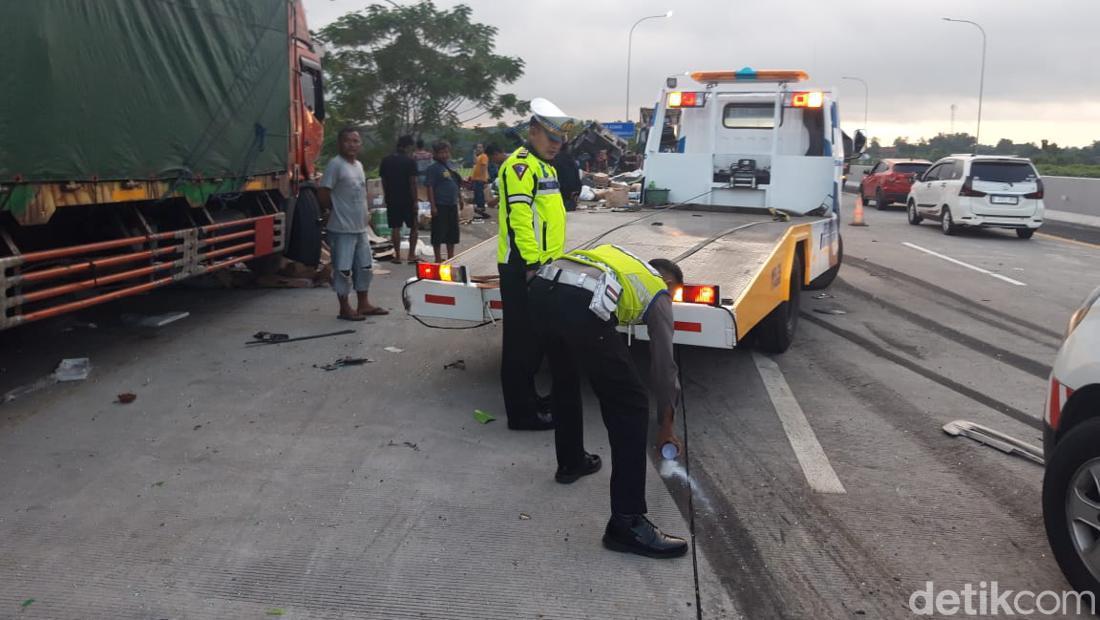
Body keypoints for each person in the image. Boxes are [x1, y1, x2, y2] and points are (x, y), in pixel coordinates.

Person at [528, 244, 688, 558]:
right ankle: (627, 523)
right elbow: (663, 365)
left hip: (541, 288)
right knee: (631, 403)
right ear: (670, 283)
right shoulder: (658, 290)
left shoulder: (617, 257)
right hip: (578, 302)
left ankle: (571, 461)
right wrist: (665, 426)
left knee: (565, 376)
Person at [496, 98, 575, 431]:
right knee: (520, 342)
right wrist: (531, 266)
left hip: (543, 265)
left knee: (535, 340)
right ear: (532, 132)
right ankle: (521, 413)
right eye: (550, 137)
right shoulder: (521, 166)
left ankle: (531, 398)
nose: (556, 145)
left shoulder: (546, 167)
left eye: (559, 140)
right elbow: (520, 220)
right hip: (523, 267)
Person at [318, 128, 389, 320]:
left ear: (360, 144)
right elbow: (324, 192)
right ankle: (345, 308)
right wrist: (331, 210)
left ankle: (364, 304)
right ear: (340, 144)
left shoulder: (358, 165)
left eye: (356, 141)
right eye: (348, 141)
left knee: (364, 267)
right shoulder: (336, 165)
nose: (352, 144)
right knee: (343, 269)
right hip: (341, 228)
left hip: (360, 228)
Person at [379, 135, 420, 264]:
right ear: (408, 147)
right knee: (413, 226)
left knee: (395, 227)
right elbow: (412, 182)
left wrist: (386, 195)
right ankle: (411, 255)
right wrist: (415, 201)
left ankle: (397, 256)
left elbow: (383, 181)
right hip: (407, 198)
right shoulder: (410, 161)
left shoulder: (386, 160)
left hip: (392, 198)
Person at [426, 140, 464, 262]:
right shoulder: (433, 169)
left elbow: (455, 183)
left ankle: (450, 257)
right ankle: (438, 258)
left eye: (446, 152)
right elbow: (430, 187)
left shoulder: (450, 166)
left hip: (452, 204)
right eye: (441, 152)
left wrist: (460, 198)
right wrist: (433, 206)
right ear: (435, 154)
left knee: (452, 233)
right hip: (440, 204)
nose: (444, 155)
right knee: (438, 232)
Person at [553, 143, 582, 212]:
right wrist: (577, 191)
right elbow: (576, 176)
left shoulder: (554, 159)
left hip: (559, 192)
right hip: (570, 194)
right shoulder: (571, 159)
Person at [469, 143, 489, 218]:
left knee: (480, 194)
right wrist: (474, 153)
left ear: (483, 149)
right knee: (477, 193)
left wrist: (483, 178)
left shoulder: (484, 156)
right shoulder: (479, 156)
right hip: (476, 178)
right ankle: (478, 207)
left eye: (480, 147)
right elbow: (475, 162)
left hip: (480, 178)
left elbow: (484, 167)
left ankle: (481, 207)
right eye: (477, 147)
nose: (478, 149)